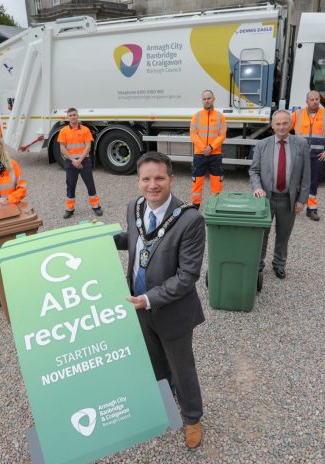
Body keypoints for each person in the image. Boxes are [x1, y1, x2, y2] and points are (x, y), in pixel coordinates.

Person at [113, 152, 206, 449]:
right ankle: (165, 405)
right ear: (138, 181)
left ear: (171, 180)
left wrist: (148, 299)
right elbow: (137, 238)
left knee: (182, 369)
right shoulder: (135, 206)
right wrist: (102, 237)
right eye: (146, 178)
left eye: (159, 178)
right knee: (154, 362)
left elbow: (187, 276)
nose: (152, 185)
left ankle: (192, 418)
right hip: (139, 307)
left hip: (171, 310)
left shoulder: (190, 219)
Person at [250, 110, 310, 279]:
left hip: (288, 200)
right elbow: (254, 171)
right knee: (262, 234)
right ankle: (258, 264)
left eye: (285, 123)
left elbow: (306, 175)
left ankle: (279, 264)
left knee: (283, 236)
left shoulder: (301, 144)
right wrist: (257, 187)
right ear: (272, 125)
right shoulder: (262, 145)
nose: (281, 127)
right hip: (265, 200)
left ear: (290, 124)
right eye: (278, 124)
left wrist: (302, 200)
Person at [291, 90, 325, 221]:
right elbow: (284, 130)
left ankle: (311, 210)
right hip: (300, 155)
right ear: (306, 102)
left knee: (313, 183)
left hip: (317, 156)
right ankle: (293, 206)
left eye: (317, 99)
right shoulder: (297, 114)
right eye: (312, 99)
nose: (315, 102)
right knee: (295, 180)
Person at [57, 107, 102, 219]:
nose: (73, 117)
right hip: (70, 161)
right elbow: (62, 148)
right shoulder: (63, 131)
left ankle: (96, 206)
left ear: (78, 116)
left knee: (90, 184)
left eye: (74, 115)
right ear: (68, 117)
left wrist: (79, 160)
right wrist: (74, 161)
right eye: (70, 115)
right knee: (70, 185)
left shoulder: (85, 130)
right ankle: (70, 209)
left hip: (84, 160)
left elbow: (88, 146)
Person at [189, 90, 227, 207]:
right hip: (200, 154)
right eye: (204, 99)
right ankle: (195, 206)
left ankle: (216, 205)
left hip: (215, 154)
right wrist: (203, 148)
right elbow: (193, 134)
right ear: (202, 100)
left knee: (217, 183)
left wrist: (211, 147)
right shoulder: (196, 116)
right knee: (197, 182)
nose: (207, 101)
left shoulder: (220, 116)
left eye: (209, 98)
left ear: (213, 99)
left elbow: (222, 135)